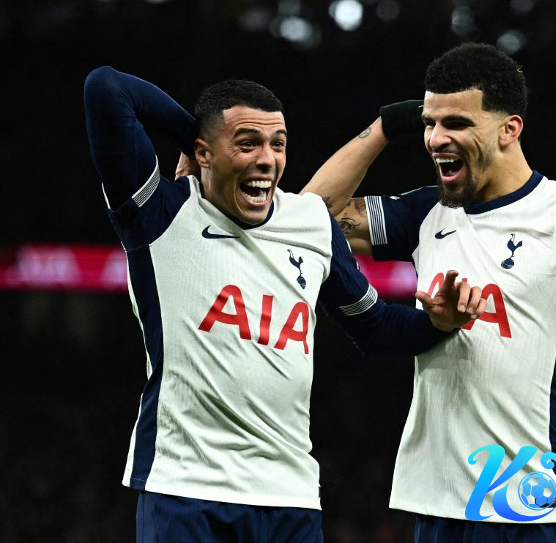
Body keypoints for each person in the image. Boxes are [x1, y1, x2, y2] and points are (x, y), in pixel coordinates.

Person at [83, 66, 487, 542]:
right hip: (185, 488)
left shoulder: (310, 220)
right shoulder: (161, 213)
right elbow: (106, 88)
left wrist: (436, 324)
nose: (267, 159)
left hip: (290, 499)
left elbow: (375, 328)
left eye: (278, 144)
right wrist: (193, 135)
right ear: (204, 152)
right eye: (247, 143)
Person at [302, 43, 556, 542]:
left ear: (509, 129)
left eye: (457, 123)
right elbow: (309, 217)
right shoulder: (425, 214)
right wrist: (385, 127)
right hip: (438, 507)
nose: (435, 139)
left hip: (540, 509)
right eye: (429, 123)